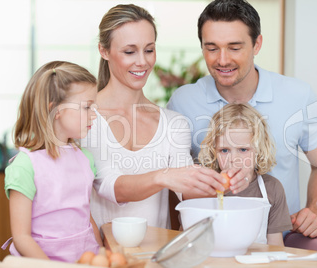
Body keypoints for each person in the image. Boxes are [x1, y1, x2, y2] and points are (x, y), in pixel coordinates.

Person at [167, 0, 317, 238]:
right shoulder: (182, 101)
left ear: (257, 44)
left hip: (280, 238)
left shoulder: (298, 96)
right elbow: (172, 182)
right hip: (209, 238)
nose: (223, 60)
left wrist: (315, 209)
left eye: (234, 47)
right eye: (212, 48)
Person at [81, 4, 248, 232]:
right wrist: (164, 176)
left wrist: (225, 180)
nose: (142, 61)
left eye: (149, 50)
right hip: (98, 256)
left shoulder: (173, 123)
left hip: (156, 258)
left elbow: (186, 191)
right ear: (104, 51)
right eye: (130, 52)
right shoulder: (84, 118)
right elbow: (110, 187)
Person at [1, 61, 102, 262]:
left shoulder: (85, 158)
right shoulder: (25, 166)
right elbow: (22, 237)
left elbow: (85, 218)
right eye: (87, 107)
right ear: (56, 110)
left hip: (83, 260)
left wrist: (102, 253)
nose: (94, 115)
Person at [199, 103, 292, 246]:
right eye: (224, 150)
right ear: (213, 151)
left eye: (243, 150)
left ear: (259, 150)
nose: (233, 159)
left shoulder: (272, 189)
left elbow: (275, 247)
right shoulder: (205, 187)